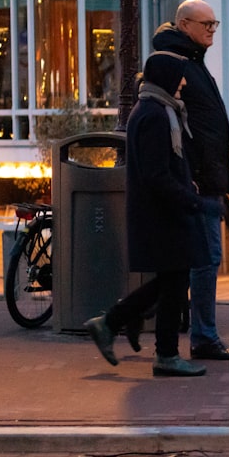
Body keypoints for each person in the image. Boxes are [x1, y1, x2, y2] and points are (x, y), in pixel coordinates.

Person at [84, 52, 216, 377]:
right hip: (162, 216)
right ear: (167, 78)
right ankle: (164, 353)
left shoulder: (161, 111)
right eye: (180, 76)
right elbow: (156, 175)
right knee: (175, 281)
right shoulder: (155, 116)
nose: (184, 83)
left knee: (173, 280)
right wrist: (194, 200)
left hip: (164, 213)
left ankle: (116, 322)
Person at [152, 0, 229, 361]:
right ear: (185, 25)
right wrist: (191, 174)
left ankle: (199, 334)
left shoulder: (192, 61)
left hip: (208, 179)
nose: (211, 30)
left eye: (214, 24)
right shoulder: (176, 64)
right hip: (199, 181)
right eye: (205, 24)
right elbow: (171, 123)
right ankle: (203, 338)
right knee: (204, 260)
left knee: (199, 261)